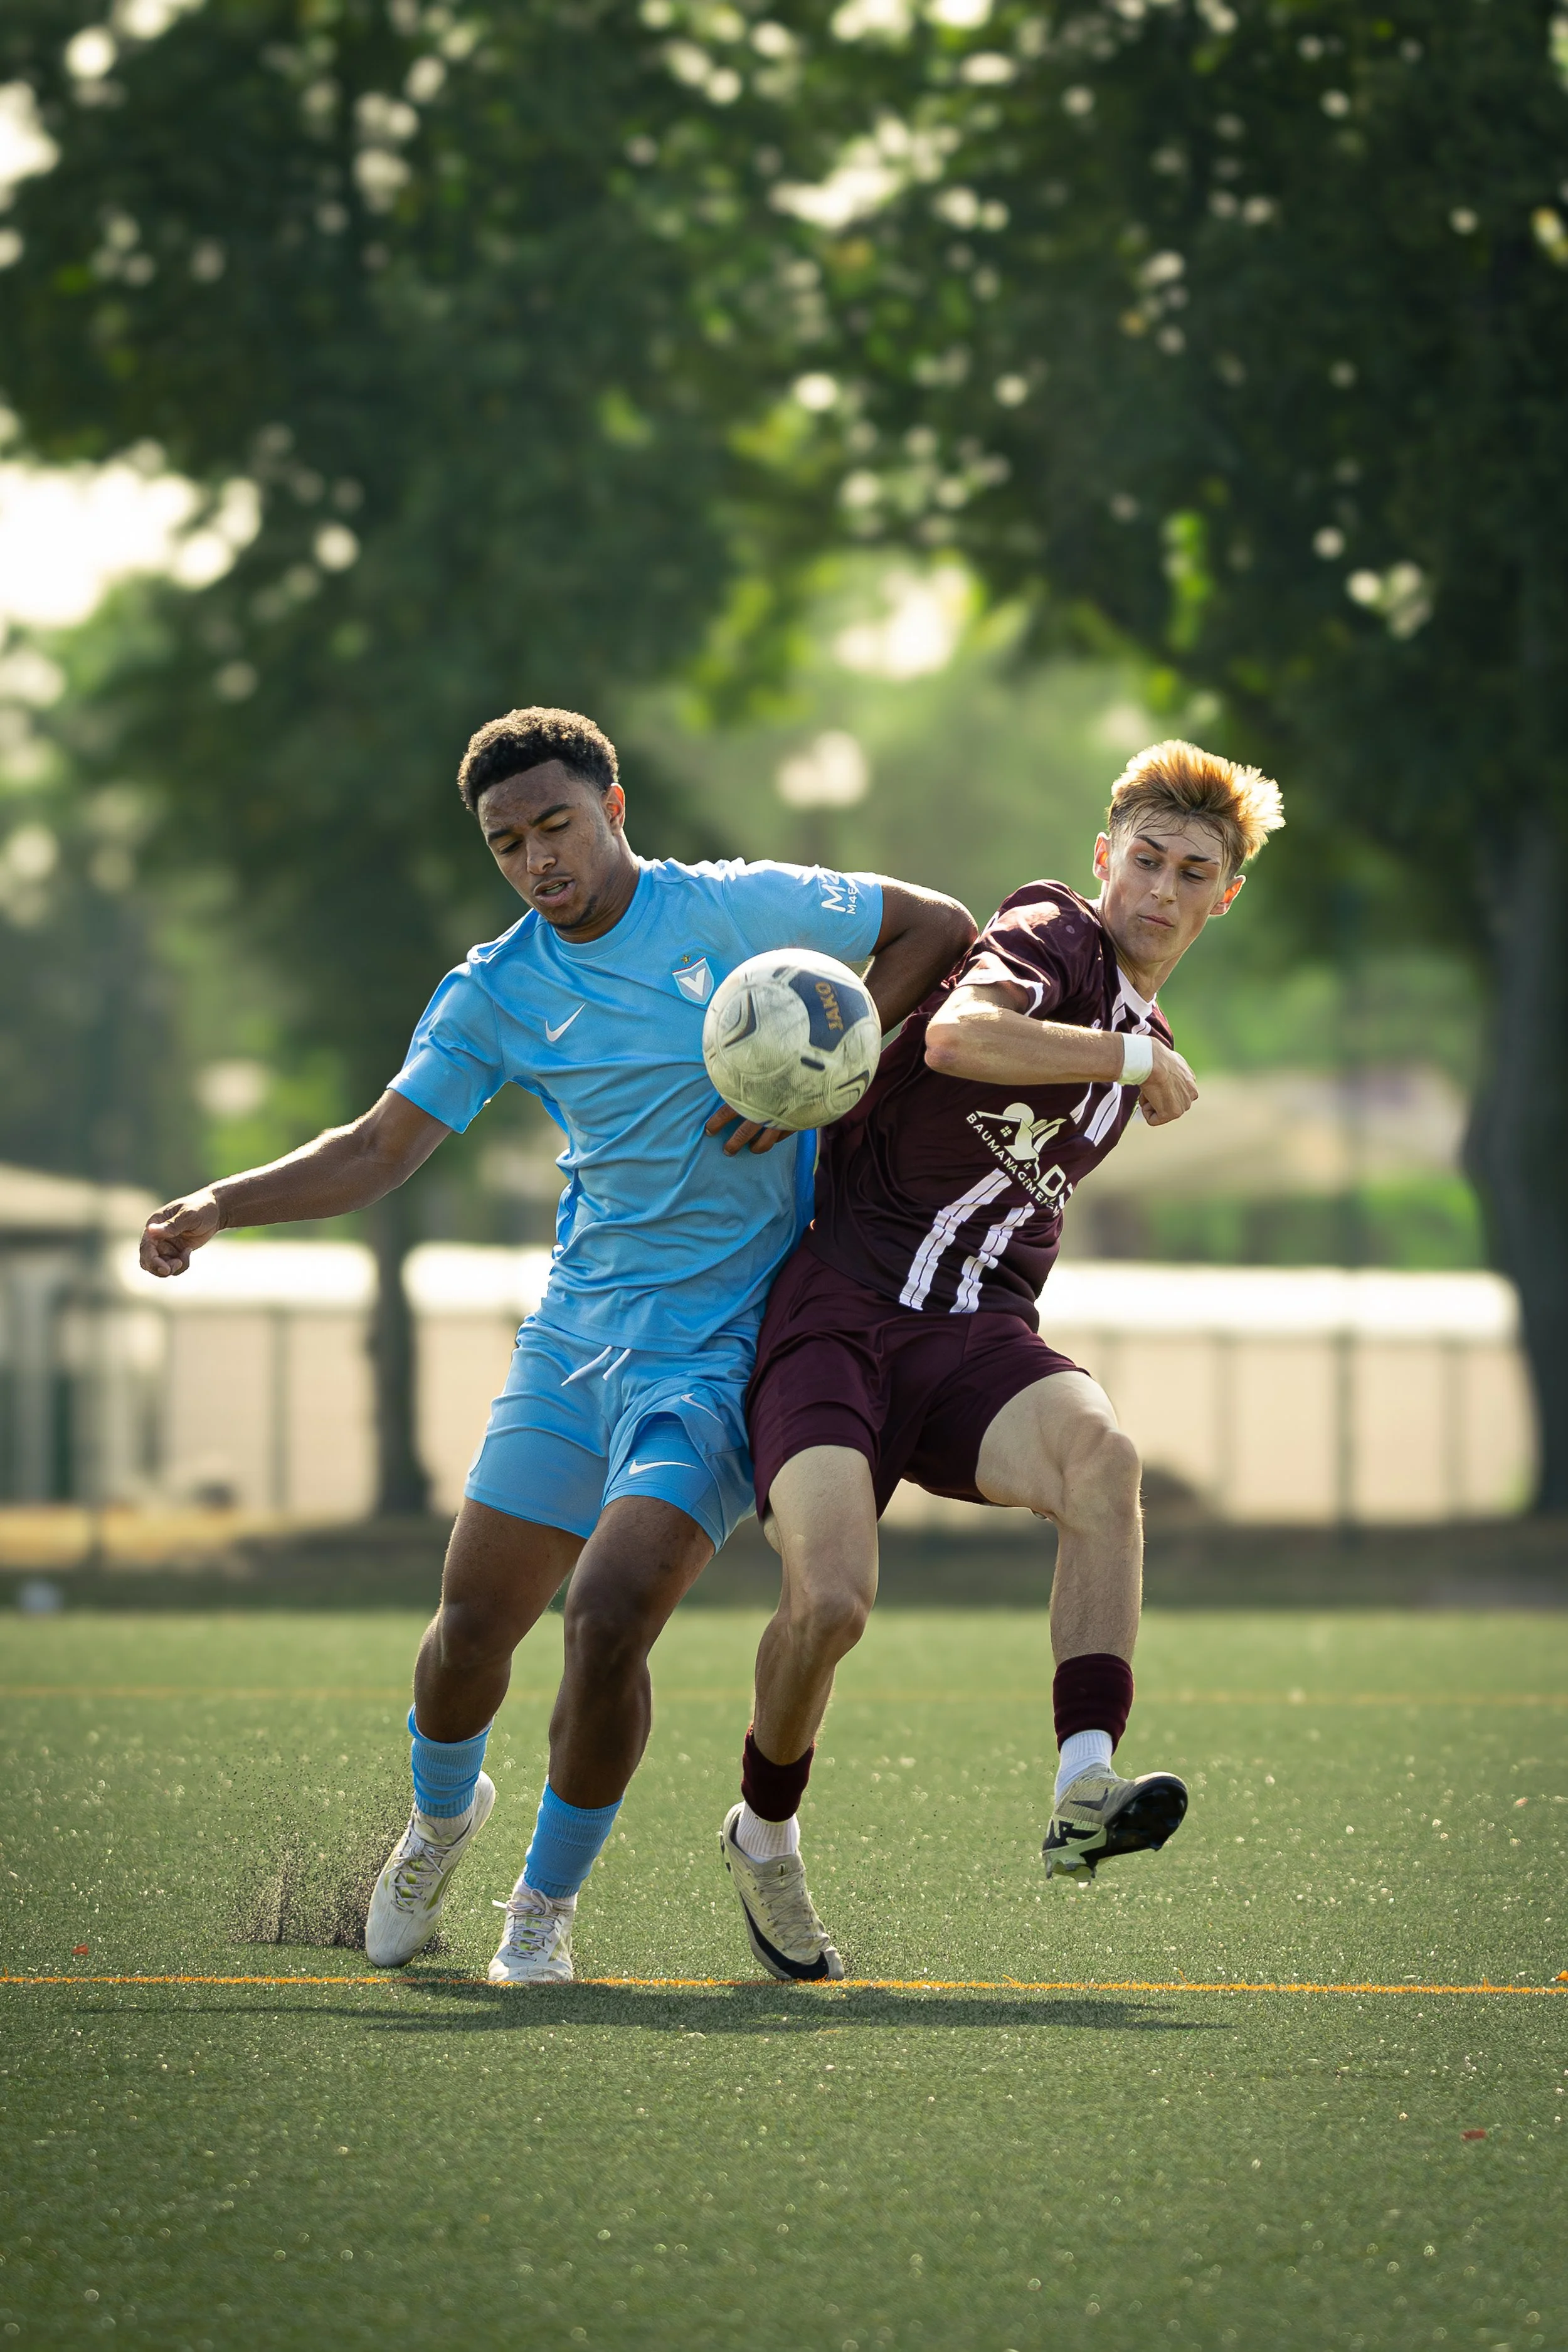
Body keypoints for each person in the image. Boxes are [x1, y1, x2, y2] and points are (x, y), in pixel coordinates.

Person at [139, 707, 975, 1984]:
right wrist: (215, 1206)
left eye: (556, 826)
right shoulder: (497, 989)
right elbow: (377, 1149)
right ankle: (436, 1822)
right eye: (507, 842)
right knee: (471, 1633)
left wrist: (834, 1056)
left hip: (721, 1352)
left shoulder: (733, 909)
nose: (537, 858)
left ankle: (542, 1910)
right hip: (576, 1337)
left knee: (604, 1620)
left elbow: (939, 927)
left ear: (614, 810)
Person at [720, 741, 1284, 1982]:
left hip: (972, 1341)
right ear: (1102, 857)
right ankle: (761, 1829)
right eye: (1142, 859)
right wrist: (1126, 1059)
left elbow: (1003, 1188)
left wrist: (1131, 1055)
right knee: (830, 1605)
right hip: (838, 1314)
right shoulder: (1054, 934)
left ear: (1222, 897)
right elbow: (962, 1042)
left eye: (1192, 872)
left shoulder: (1147, 1028)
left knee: (1103, 1461)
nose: (1159, 889)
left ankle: (1085, 1784)